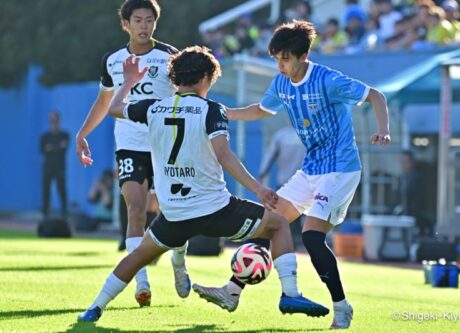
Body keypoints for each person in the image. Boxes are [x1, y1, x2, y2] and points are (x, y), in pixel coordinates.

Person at [77, 46, 329, 322]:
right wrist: (258, 189)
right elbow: (224, 155)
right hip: (215, 210)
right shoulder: (212, 110)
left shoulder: (153, 108)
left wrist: (128, 81)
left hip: (174, 214)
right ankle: (290, 294)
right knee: (278, 223)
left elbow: (113, 108)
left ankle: (94, 308)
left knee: (135, 258)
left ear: (175, 79)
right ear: (205, 79)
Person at [192, 20, 391, 330]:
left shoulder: (328, 80)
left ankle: (342, 308)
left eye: (285, 58)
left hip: (339, 169)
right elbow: (260, 110)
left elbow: (376, 96)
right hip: (310, 168)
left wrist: (383, 130)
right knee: (270, 225)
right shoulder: (282, 83)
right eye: (276, 58)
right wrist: (224, 112)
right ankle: (232, 292)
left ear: (303, 56)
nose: (280, 64)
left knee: (312, 237)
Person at [75, 0, 178, 307]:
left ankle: (179, 262)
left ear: (155, 24)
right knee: (136, 209)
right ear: (126, 24)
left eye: (149, 20)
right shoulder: (113, 60)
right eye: (138, 20)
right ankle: (142, 282)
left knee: (172, 211)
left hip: (166, 144)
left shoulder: (170, 57)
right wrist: (82, 134)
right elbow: (103, 102)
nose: (144, 26)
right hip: (130, 144)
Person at [393, 150, 432, 236]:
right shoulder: (400, 179)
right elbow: (397, 197)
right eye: (402, 162)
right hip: (401, 217)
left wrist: (410, 209)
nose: (404, 165)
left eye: (406, 162)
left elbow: (420, 200)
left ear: (412, 162)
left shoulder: (418, 179)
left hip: (415, 216)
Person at [40, 111, 69, 218]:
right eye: (51, 120)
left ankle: (64, 214)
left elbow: (64, 148)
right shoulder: (45, 136)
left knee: (61, 190)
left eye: (55, 119)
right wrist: (57, 147)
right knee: (46, 190)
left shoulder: (64, 135)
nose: (53, 122)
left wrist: (51, 148)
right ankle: (45, 213)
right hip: (48, 167)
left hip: (60, 167)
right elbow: (43, 150)